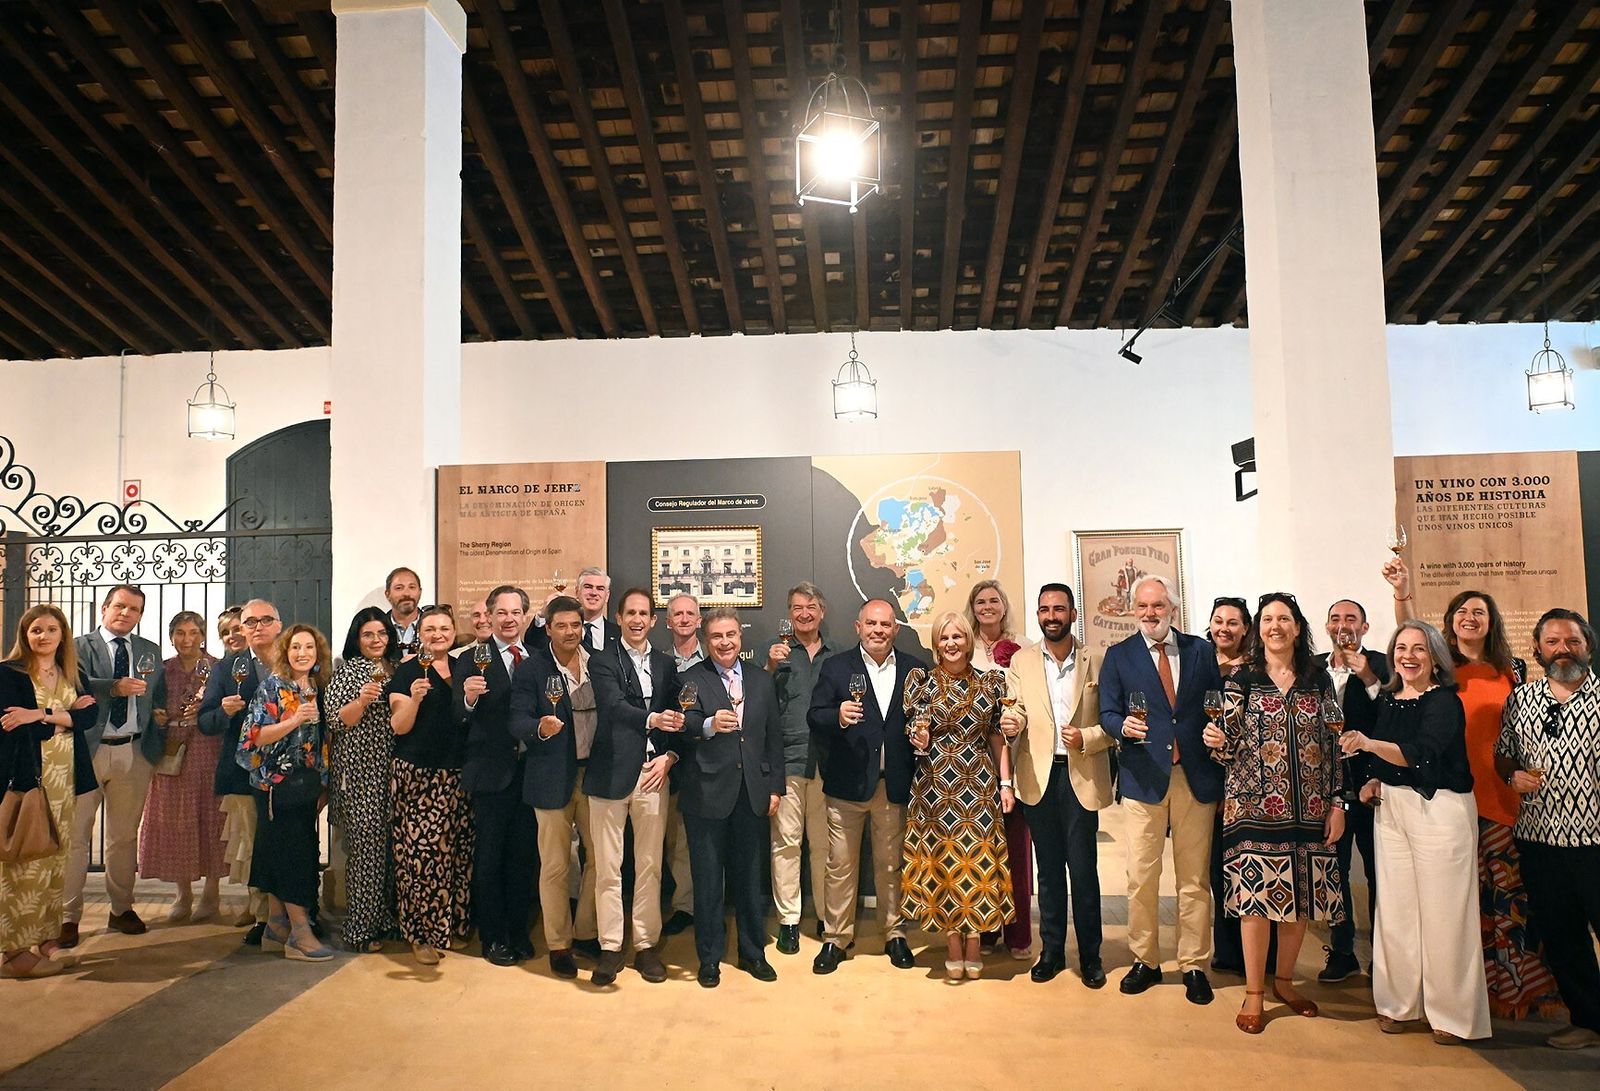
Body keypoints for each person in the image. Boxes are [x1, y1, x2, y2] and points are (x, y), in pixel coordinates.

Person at [1388, 563, 1561, 1019]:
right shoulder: (1440, 674)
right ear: (1449, 622)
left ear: (1491, 621)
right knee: (1460, 904)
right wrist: (1402, 592)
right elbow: (1409, 631)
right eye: (1462, 611)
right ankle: (1466, 993)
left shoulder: (1513, 669)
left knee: (1507, 900)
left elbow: (1523, 732)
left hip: (1500, 798)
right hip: (1448, 799)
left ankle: (1514, 994)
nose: (1470, 617)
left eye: (1480, 611)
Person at [1339, 619, 1489, 1044]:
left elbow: (1422, 756)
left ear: (1435, 657)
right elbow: (1387, 759)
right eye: (1401, 648)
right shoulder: (1392, 698)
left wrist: (1367, 744)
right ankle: (1399, 1004)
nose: (1408, 656)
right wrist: (1371, 779)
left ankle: (1453, 1016)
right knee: (1397, 912)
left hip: (1440, 812)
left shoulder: (1444, 701)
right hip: (1393, 809)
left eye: (1419, 649)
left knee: (1445, 915)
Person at [1204, 593, 1345, 1034]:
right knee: (1256, 902)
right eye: (1267, 619)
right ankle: (1254, 992)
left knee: (1299, 902)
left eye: (1284, 619)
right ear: (1257, 629)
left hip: (1312, 807)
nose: (1275, 626)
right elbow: (1224, 751)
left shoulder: (1318, 679)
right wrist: (1215, 739)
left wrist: (1339, 802)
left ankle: (1284, 981)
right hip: (1253, 807)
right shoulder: (1241, 678)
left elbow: (1334, 744)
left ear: (1298, 628)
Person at [1099, 574, 1224, 1005]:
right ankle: (1145, 960)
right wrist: (1120, 726)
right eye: (1142, 607)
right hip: (1142, 778)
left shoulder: (1200, 651)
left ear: (1172, 608)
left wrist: (1219, 732)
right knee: (1141, 877)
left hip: (1195, 777)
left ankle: (1193, 964)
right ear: (1133, 611)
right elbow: (1107, 711)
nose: (1150, 613)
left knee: (1193, 879)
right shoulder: (1118, 656)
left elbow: (1215, 703)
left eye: (1158, 606)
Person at [1496, 608, 1600, 1050]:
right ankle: (1590, 1021)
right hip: (1540, 841)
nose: (1563, 649)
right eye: (1553, 642)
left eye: (1572, 641)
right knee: (1563, 936)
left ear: (1588, 647)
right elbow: (1503, 753)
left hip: (1595, 841)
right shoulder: (1521, 700)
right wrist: (1511, 775)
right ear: (1537, 649)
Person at [808, 599, 929, 975]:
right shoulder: (836, 667)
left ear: (896, 629)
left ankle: (894, 933)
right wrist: (838, 716)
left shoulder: (915, 669)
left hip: (893, 785)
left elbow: (924, 718)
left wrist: (923, 734)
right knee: (840, 866)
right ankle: (836, 939)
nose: (878, 630)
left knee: (891, 867)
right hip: (846, 786)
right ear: (857, 626)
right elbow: (815, 715)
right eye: (871, 623)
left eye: (885, 624)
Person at [1000, 583, 1112, 987]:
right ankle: (1050, 951)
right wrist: (1013, 722)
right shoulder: (1022, 662)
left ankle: (1091, 956)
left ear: (1073, 614)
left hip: (1081, 775)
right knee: (1046, 873)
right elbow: (1015, 710)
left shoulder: (1097, 659)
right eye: (1045, 609)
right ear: (1038, 614)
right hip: (1038, 777)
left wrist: (1089, 738)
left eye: (1059, 609)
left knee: (1083, 871)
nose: (1051, 616)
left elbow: (1113, 723)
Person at [902, 611, 1014, 981]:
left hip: (979, 787)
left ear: (968, 641)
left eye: (958, 637)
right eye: (944, 638)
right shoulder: (921, 682)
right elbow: (915, 731)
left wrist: (1006, 783)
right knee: (945, 867)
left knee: (977, 866)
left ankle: (974, 944)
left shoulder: (991, 683)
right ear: (936, 644)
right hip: (934, 787)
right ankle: (953, 944)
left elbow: (998, 738)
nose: (951, 644)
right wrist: (918, 739)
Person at [678, 609, 783, 987]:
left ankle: (754, 953)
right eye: (717, 636)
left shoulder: (760, 680)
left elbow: (773, 738)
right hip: (706, 794)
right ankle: (709, 959)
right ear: (706, 641)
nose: (725, 642)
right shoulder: (690, 679)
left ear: (741, 637)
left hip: (751, 794)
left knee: (750, 881)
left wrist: (775, 787)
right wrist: (707, 725)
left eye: (731, 635)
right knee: (708, 882)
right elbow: (682, 724)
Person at [587, 589, 684, 985]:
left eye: (644, 613)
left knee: (649, 866)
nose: (638, 619)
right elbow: (612, 706)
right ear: (619, 617)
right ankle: (611, 947)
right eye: (630, 613)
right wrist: (654, 720)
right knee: (609, 869)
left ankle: (645, 945)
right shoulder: (602, 660)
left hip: (652, 774)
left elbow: (682, 715)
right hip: (609, 773)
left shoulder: (666, 664)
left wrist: (671, 754)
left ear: (653, 620)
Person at [60, 585, 162, 944]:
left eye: (134, 609)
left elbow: (156, 693)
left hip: (133, 752)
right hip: (88, 751)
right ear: (104, 608)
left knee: (122, 838)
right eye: (120, 606)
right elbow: (74, 684)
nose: (126, 613)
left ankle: (121, 909)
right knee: (76, 838)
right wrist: (113, 687)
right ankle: (68, 917)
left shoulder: (150, 651)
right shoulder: (75, 646)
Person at [1, 606, 97, 979]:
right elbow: (10, 723)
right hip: (27, 780)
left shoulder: (74, 672)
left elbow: (88, 717)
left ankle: (44, 938)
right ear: (25, 635)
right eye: (35, 630)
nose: (43, 636)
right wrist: (60, 717)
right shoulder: (7, 673)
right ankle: (13, 952)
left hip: (65, 780)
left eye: (51, 629)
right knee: (22, 864)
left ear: (63, 634)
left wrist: (38, 714)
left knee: (56, 858)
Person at [508, 596, 600, 979]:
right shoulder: (533, 669)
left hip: (596, 776)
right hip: (550, 777)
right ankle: (559, 943)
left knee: (601, 861)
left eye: (575, 625)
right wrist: (538, 729)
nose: (569, 632)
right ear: (548, 629)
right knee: (556, 865)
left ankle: (587, 932)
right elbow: (516, 719)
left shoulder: (600, 662)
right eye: (560, 626)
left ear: (583, 627)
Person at [236, 624, 335, 962]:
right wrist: (294, 720)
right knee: (293, 858)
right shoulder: (272, 688)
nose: (303, 653)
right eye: (296, 647)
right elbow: (254, 738)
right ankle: (300, 935)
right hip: (276, 786)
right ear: (285, 652)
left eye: (309, 647)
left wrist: (324, 783)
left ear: (318, 653)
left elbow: (322, 741)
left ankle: (276, 928)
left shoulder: (320, 688)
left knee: (292, 852)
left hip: (308, 786)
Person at [454, 586, 538, 968]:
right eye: (500, 612)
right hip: (491, 775)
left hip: (531, 776)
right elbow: (458, 717)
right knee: (489, 859)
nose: (508, 618)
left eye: (515, 611)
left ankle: (519, 932)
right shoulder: (472, 659)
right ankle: (493, 937)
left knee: (524, 859)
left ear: (525, 616)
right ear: (489, 616)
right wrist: (469, 698)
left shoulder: (537, 658)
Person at [385, 606, 474, 965]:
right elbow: (399, 726)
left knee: (456, 854)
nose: (438, 634)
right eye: (430, 629)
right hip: (419, 774)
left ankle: (448, 926)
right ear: (419, 634)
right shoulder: (407, 671)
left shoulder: (462, 668)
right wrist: (417, 699)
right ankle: (419, 934)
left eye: (444, 628)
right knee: (420, 857)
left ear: (454, 632)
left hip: (457, 775)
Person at [1312, 599, 1390, 984]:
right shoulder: (1312, 668)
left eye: (1352, 619)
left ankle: (1384, 956)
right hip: (1327, 788)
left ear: (1365, 626)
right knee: (1334, 870)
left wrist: (1370, 679)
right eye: (1336, 619)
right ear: (1327, 626)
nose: (1343, 625)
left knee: (1380, 872)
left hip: (1373, 785)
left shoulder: (1382, 663)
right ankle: (1342, 952)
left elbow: (1395, 715)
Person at [199, 598, 281, 943]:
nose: (258, 627)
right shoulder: (227, 668)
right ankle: (263, 917)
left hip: (289, 772)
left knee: (288, 843)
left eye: (265, 620)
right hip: (244, 773)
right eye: (251, 622)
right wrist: (225, 711)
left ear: (279, 624)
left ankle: (296, 910)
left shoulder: (295, 661)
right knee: (252, 844)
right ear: (243, 629)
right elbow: (206, 722)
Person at [137, 611, 224, 923]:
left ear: (203, 635)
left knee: (211, 818)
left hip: (208, 747)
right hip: (172, 750)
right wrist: (155, 717)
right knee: (176, 818)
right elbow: (146, 704)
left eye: (193, 633)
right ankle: (182, 892)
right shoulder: (163, 670)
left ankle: (212, 891)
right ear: (171, 636)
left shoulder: (216, 668)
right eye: (180, 633)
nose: (187, 640)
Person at [325, 607, 400, 953]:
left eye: (382, 634)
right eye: (368, 634)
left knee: (387, 854)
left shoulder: (396, 668)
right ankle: (359, 929)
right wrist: (362, 700)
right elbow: (337, 722)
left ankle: (384, 919)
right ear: (357, 638)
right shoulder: (347, 672)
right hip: (359, 773)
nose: (376, 640)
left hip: (393, 772)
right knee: (366, 854)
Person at [765, 582, 834, 954]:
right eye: (796, 608)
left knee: (824, 847)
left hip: (826, 763)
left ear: (822, 612)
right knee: (786, 845)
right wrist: (769, 667)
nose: (804, 613)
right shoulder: (777, 655)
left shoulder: (838, 656)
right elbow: (760, 702)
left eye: (810, 606)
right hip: (788, 760)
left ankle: (826, 918)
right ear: (789, 614)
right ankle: (789, 921)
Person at [965, 579, 1031, 960]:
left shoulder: (1023, 647)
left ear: (1004, 606)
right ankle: (984, 930)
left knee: (1016, 848)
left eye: (994, 600)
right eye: (980, 601)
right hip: (972, 764)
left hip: (1016, 756)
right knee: (981, 849)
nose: (987, 606)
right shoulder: (961, 645)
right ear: (972, 608)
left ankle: (1019, 933)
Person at [1205, 595, 1255, 975]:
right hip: (1208, 782)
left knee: (1248, 868)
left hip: (1247, 783)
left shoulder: (1256, 672)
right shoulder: (1201, 665)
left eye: (1233, 622)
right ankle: (1227, 952)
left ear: (1245, 629)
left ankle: (1258, 955)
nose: (1224, 628)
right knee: (1217, 872)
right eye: (1218, 621)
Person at [660, 592, 702, 936]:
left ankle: (712, 903)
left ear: (699, 620)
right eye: (678, 614)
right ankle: (685, 905)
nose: (685, 619)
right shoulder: (659, 664)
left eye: (691, 613)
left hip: (711, 757)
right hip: (674, 762)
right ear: (668, 621)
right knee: (678, 840)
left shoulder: (716, 658)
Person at [384, 567, 423, 653]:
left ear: (420, 592)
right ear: (387, 594)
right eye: (399, 588)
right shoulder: (380, 627)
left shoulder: (433, 626)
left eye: (412, 587)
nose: (406, 594)